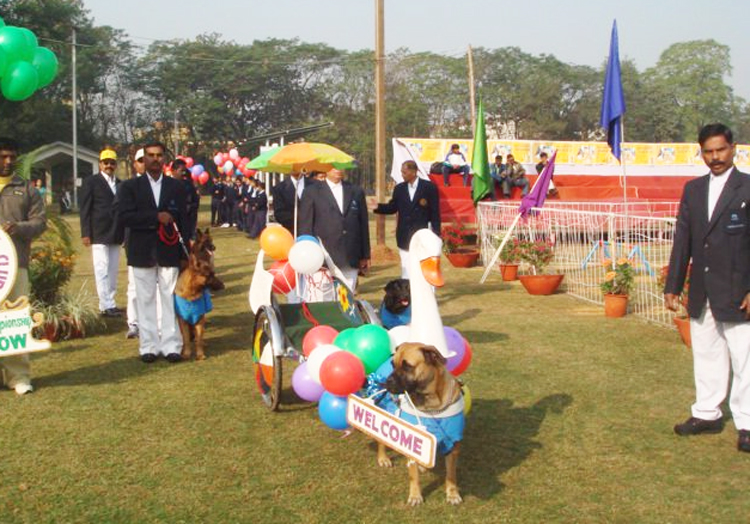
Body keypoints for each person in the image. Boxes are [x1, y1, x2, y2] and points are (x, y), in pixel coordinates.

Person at [664, 123, 750, 453]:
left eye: (720, 150)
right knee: (707, 354)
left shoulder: (746, 188)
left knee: (744, 359)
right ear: (701, 152)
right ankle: (707, 413)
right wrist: (673, 284)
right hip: (702, 288)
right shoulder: (693, 189)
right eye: (708, 152)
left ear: (733, 148)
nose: (715, 157)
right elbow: (683, 238)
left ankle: (746, 423)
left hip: (738, 289)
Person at [115, 141, 187, 363]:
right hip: (141, 250)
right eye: (150, 155)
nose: (155, 159)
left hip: (169, 250)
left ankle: (171, 344)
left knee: (168, 297)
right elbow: (124, 216)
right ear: (143, 159)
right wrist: (154, 218)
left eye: (159, 155)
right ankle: (148, 346)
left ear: (164, 158)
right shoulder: (129, 188)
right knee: (145, 300)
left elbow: (184, 219)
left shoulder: (176, 187)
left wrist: (186, 249)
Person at [0, 137, 46, 395]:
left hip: (14, 265)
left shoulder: (25, 188)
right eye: (3, 156)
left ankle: (18, 377)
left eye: (12, 157)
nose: (8, 161)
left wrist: (19, 228)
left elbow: (40, 222)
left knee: (14, 320)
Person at [298, 168, 370, 291]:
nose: (338, 170)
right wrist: (308, 253)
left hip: (349, 254)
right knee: (322, 298)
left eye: (341, 166)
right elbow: (305, 225)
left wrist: (365, 254)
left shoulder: (355, 191)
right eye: (333, 166)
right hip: (322, 256)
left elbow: (363, 224)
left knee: (346, 299)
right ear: (325, 168)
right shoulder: (312, 192)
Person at [374, 160, 440, 278]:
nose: (402, 175)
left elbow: (435, 212)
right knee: (407, 268)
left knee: (426, 268)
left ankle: (429, 295)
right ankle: (407, 295)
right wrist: (377, 207)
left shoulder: (429, 187)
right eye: (401, 172)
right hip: (404, 235)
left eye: (404, 172)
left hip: (422, 234)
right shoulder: (399, 189)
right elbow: (392, 207)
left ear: (414, 172)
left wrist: (436, 234)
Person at [80, 148, 124, 318]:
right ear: (100, 164)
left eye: (112, 162)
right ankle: (104, 305)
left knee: (113, 269)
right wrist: (85, 232)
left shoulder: (120, 184)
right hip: (98, 232)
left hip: (115, 232)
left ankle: (111, 303)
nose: (109, 165)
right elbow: (85, 208)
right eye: (106, 162)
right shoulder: (91, 182)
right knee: (101, 269)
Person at [125, 148, 146, 339]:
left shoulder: (161, 186)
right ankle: (134, 323)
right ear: (135, 164)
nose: (144, 163)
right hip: (135, 243)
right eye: (140, 160)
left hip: (158, 245)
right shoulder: (128, 187)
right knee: (134, 287)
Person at [171, 158, 200, 241]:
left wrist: (190, 207)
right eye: (181, 170)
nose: (184, 173)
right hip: (173, 222)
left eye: (185, 170)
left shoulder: (189, 185)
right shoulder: (167, 185)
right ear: (173, 170)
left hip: (187, 221)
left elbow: (195, 200)